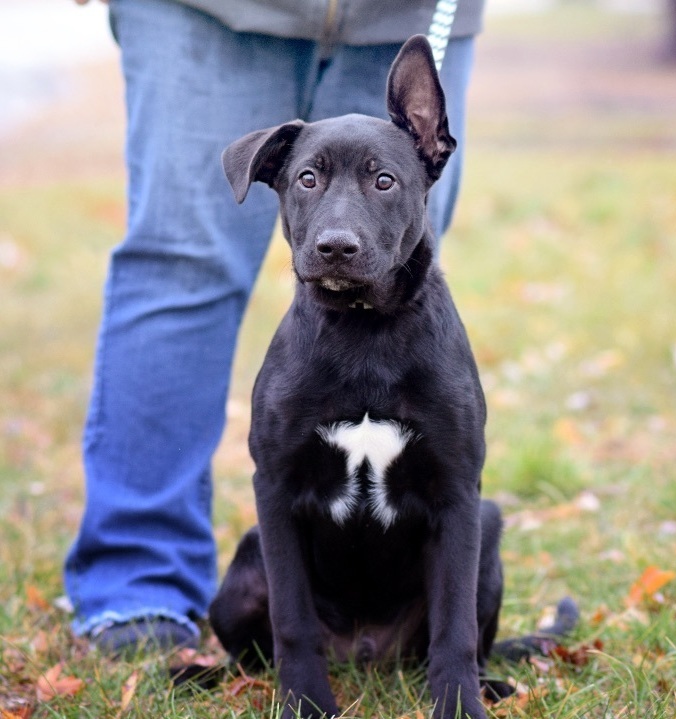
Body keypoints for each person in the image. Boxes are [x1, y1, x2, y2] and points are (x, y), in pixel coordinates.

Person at [65, 0, 485, 653]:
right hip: (203, 9)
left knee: (395, 269)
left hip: (407, 12)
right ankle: (137, 586)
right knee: (179, 267)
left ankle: (408, 608)